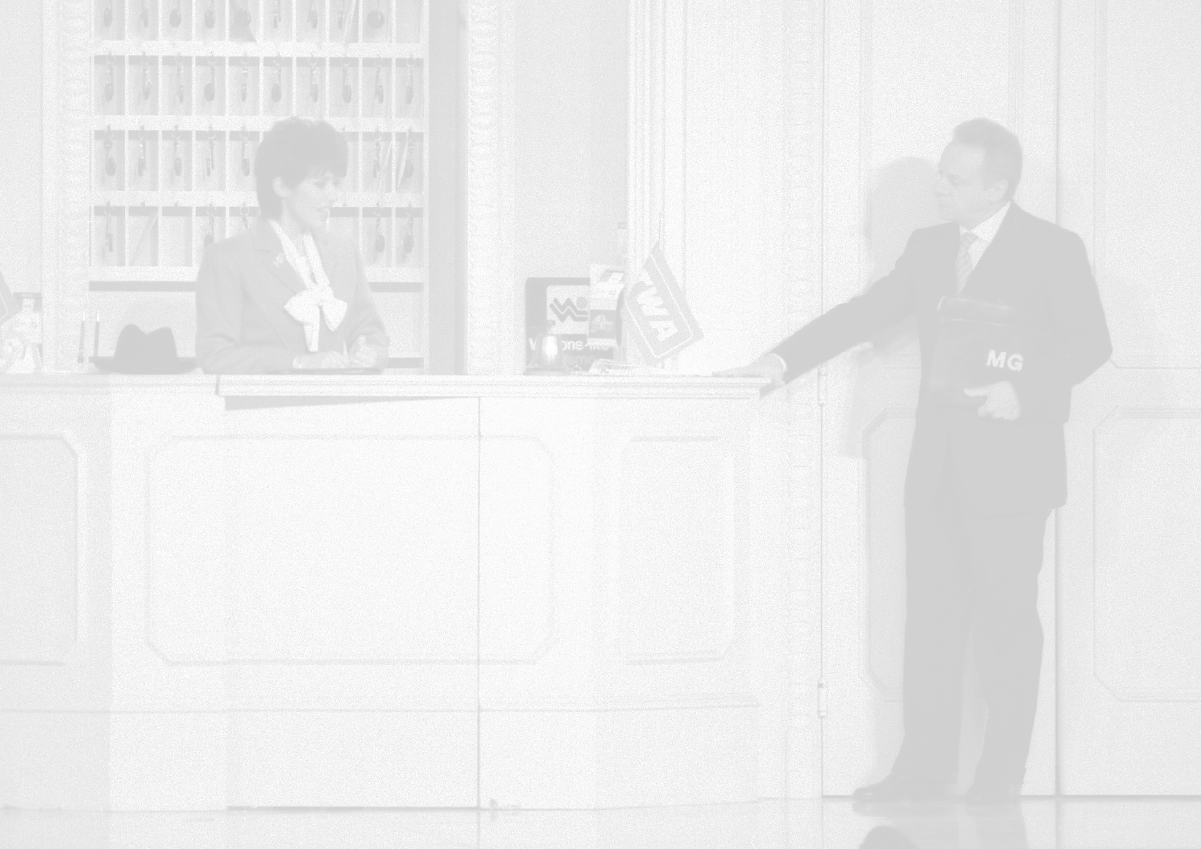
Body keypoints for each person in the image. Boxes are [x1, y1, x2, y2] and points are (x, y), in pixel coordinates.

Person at [721, 119, 1112, 803]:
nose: (939, 188)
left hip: (1014, 475)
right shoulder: (929, 248)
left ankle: (1000, 776)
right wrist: (778, 361)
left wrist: (1022, 392)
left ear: (998, 186)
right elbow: (867, 312)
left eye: (954, 179)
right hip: (935, 472)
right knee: (929, 624)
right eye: (940, 174)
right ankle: (923, 770)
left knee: (1006, 627)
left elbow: (1089, 342)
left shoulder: (1053, 248)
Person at [196, 118, 390, 374]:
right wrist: (298, 362)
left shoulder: (344, 252)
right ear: (281, 186)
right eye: (320, 184)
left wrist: (369, 352)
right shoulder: (228, 258)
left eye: (335, 183)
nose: (334, 196)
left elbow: (370, 331)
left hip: (336, 399)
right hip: (263, 401)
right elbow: (216, 357)